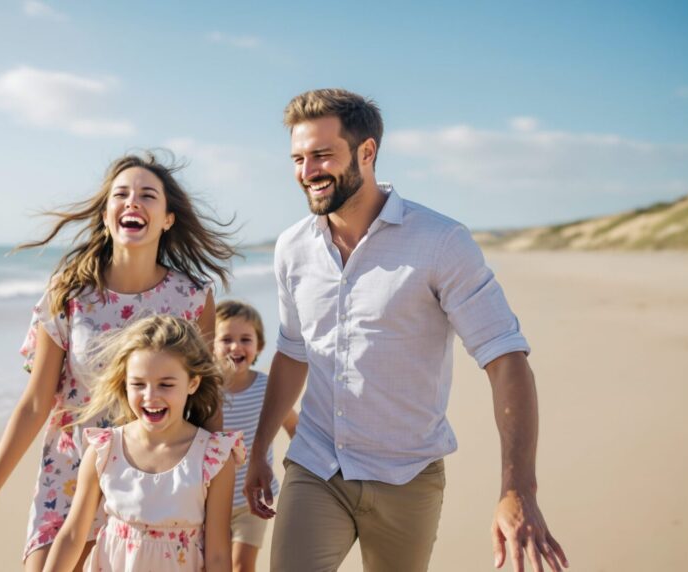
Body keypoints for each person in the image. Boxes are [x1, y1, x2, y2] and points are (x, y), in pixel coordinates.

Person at [243, 89, 570, 572]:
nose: (307, 171)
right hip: (316, 466)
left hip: (408, 476)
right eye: (298, 158)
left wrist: (517, 488)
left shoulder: (440, 242)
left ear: (367, 152)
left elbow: (505, 359)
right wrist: (259, 452)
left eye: (322, 155)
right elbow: (293, 354)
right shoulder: (292, 248)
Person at [0, 152, 237, 572]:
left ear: (168, 218)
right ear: (107, 212)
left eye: (147, 195)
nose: (132, 202)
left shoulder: (191, 297)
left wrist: (213, 493)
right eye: (121, 195)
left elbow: (206, 400)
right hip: (69, 471)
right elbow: (35, 404)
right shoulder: (70, 291)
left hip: (150, 482)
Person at [42, 315, 245, 572]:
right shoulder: (104, 449)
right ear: (125, 384)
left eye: (166, 385)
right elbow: (72, 536)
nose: (151, 396)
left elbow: (218, 554)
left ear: (192, 383)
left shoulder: (213, 457)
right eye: (138, 384)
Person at [213, 300, 297, 571]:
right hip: (209, 500)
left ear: (259, 346)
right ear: (210, 345)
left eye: (245, 339)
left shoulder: (266, 387)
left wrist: (304, 474)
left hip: (254, 502)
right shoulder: (203, 391)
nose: (236, 347)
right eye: (226, 339)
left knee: (241, 566)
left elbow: (295, 428)